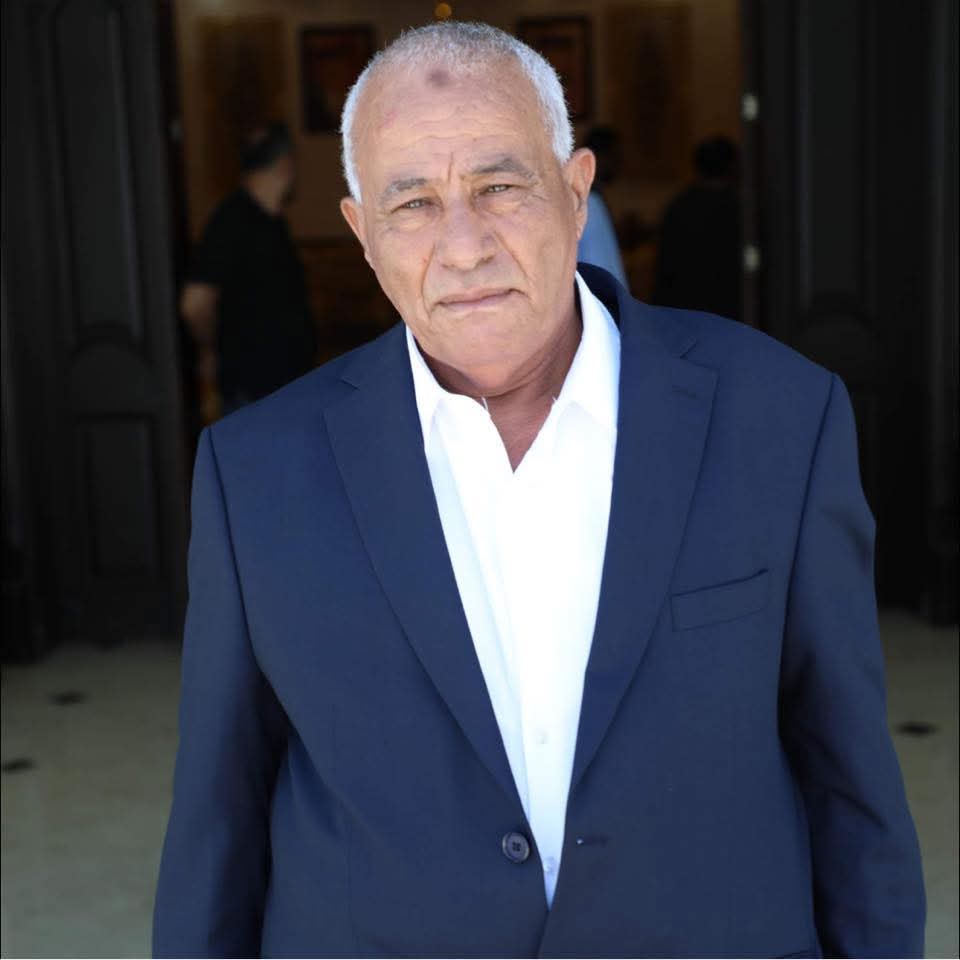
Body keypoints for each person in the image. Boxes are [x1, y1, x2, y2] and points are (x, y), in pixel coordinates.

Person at [154, 22, 924, 958]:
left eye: (499, 187)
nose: (464, 246)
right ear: (362, 233)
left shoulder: (780, 417)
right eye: (413, 203)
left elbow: (851, 786)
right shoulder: (255, 475)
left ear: (575, 189)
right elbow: (218, 825)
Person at [180, 121, 316, 415]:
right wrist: (212, 347)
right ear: (285, 164)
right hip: (253, 392)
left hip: (285, 387)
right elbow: (194, 303)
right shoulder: (231, 221)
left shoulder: (273, 222)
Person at [652, 134, 742, 320]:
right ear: (732, 166)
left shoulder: (679, 206)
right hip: (730, 309)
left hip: (683, 309)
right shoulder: (740, 209)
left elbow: (665, 265)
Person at [577, 126, 628, 288]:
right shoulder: (589, 203)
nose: (620, 163)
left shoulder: (591, 199)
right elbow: (603, 272)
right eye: (616, 156)